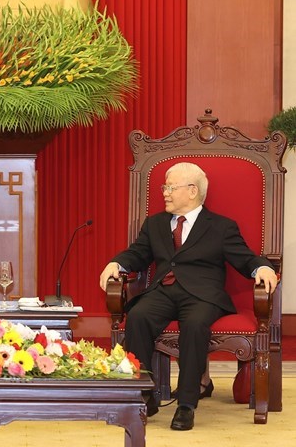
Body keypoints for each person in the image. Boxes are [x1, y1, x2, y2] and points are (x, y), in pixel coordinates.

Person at [99, 162, 277, 431]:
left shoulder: (220, 226)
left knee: (194, 325)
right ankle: (146, 393)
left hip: (203, 295)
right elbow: (138, 253)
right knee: (138, 316)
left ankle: (186, 404)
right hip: (163, 291)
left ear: (192, 191)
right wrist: (117, 264)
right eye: (164, 187)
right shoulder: (155, 223)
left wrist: (262, 267)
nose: (165, 193)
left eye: (170, 187)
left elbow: (245, 258)